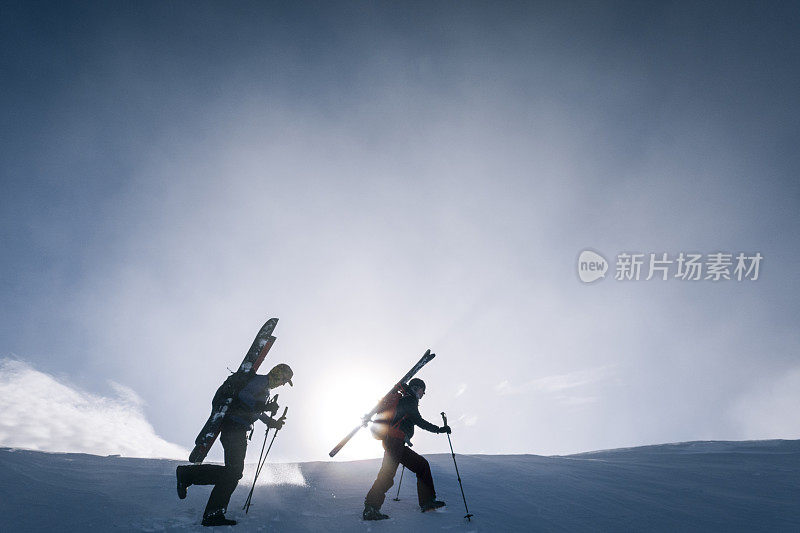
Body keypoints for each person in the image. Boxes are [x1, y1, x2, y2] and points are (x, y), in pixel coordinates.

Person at [176, 363, 293, 527]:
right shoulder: (260, 382)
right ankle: (205, 503)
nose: (282, 384)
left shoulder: (265, 389)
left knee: (233, 472)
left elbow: (254, 411)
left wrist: (271, 422)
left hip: (237, 429)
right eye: (284, 380)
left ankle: (190, 477)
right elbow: (245, 396)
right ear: (278, 373)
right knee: (234, 472)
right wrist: (265, 406)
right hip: (234, 428)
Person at [363, 377, 451, 520]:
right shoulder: (409, 400)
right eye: (423, 391)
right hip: (394, 442)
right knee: (386, 476)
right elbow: (420, 422)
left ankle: (427, 502)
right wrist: (440, 429)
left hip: (395, 442)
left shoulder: (404, 399)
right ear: (417, 388)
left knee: (422, 465)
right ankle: (370, 508)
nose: (423, 395)